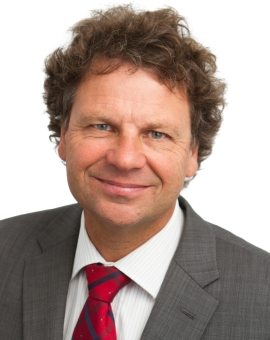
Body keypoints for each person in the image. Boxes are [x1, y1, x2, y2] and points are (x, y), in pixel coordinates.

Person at [0, 5, 269, 340]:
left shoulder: (263, 296)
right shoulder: (4, 252)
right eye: (102, 126)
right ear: (64, 136)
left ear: (192, 154)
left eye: (156, 133)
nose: (125, 159)